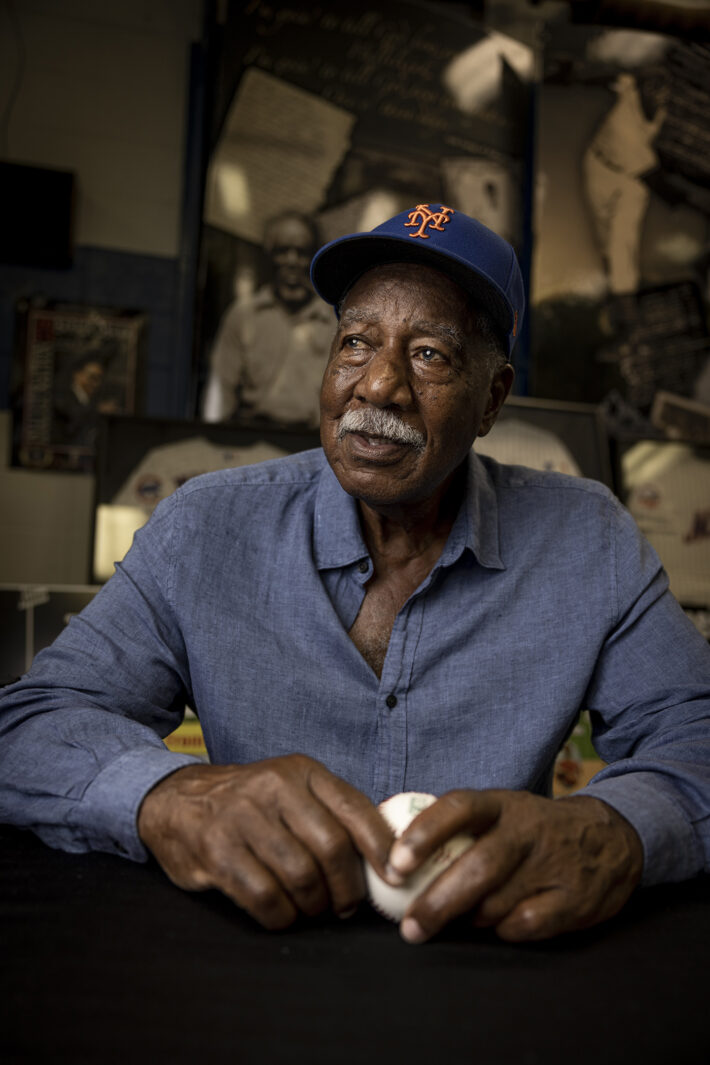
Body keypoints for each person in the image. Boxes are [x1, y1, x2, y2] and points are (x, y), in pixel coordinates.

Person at [1, 204, 709, 945]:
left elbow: (697, 735)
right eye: (356, 342)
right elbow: (27, 726)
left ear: (492, 399)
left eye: (429, 354)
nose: (377, 386)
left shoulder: (586, 540)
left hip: (497, 977)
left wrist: (613, 828)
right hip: (249, 970)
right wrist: (170, 795)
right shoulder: (207, 527)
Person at [201, 211, 334, 427]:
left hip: (313, 443)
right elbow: (221, 390)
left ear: (313, 258)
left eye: (302, 252)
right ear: (269, 257)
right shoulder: (243, 315)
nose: (292, 261)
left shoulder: (333, 319)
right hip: (254, 436)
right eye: (282, 251)